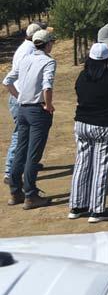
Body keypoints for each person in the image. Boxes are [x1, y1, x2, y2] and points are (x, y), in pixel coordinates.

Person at [68, 43, 108, 223]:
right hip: (105, 125)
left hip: (82, 124)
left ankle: (77, 206)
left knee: (82, 164)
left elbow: (78, 93)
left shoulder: (82, 76)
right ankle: (97, 209)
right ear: (107, 59)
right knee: (101, 166)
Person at [5, 28, 57, 209]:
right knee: (33, 155)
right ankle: (30, 195)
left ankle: (15, 191)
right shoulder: (48, 61)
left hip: (22, 109)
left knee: (21, 150)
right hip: (37, 111)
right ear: (48, 44)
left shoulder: (25, 59)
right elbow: (47, 86)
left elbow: (7, 81)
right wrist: (48, 105)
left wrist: (19, 97)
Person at [2, 22, 45, 184]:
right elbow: (13, 78)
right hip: (21, 98)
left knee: (24, 135)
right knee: (20, 135)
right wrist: (21, 97)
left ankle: (25, 165)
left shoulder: (27, 48)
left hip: (20, 96)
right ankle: (10, 170)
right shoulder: (29, 51)